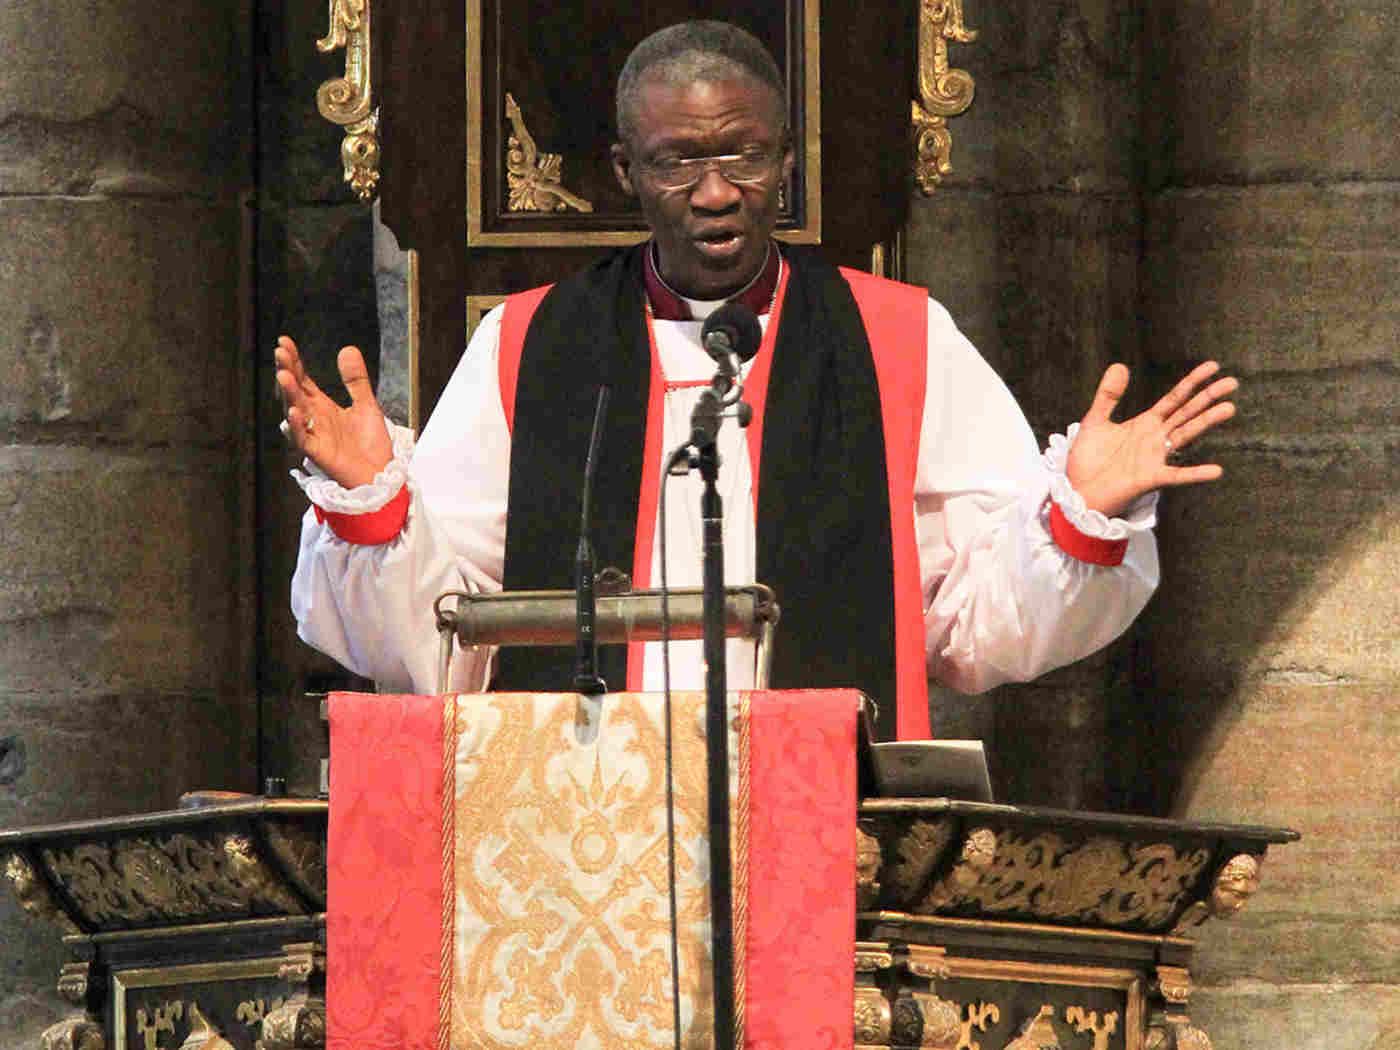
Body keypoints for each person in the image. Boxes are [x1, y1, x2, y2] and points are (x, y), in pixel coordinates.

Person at [277, 21, 1237, 739]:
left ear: (784, 160)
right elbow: (451, 635)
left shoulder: (900, 340)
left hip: (827, 815)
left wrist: (1074, 517)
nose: (713, 190)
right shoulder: (527, 346)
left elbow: (975, 626)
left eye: (740, 153)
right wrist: (375, 513)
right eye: (677, 161)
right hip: (583, 819)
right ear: (624, 172)